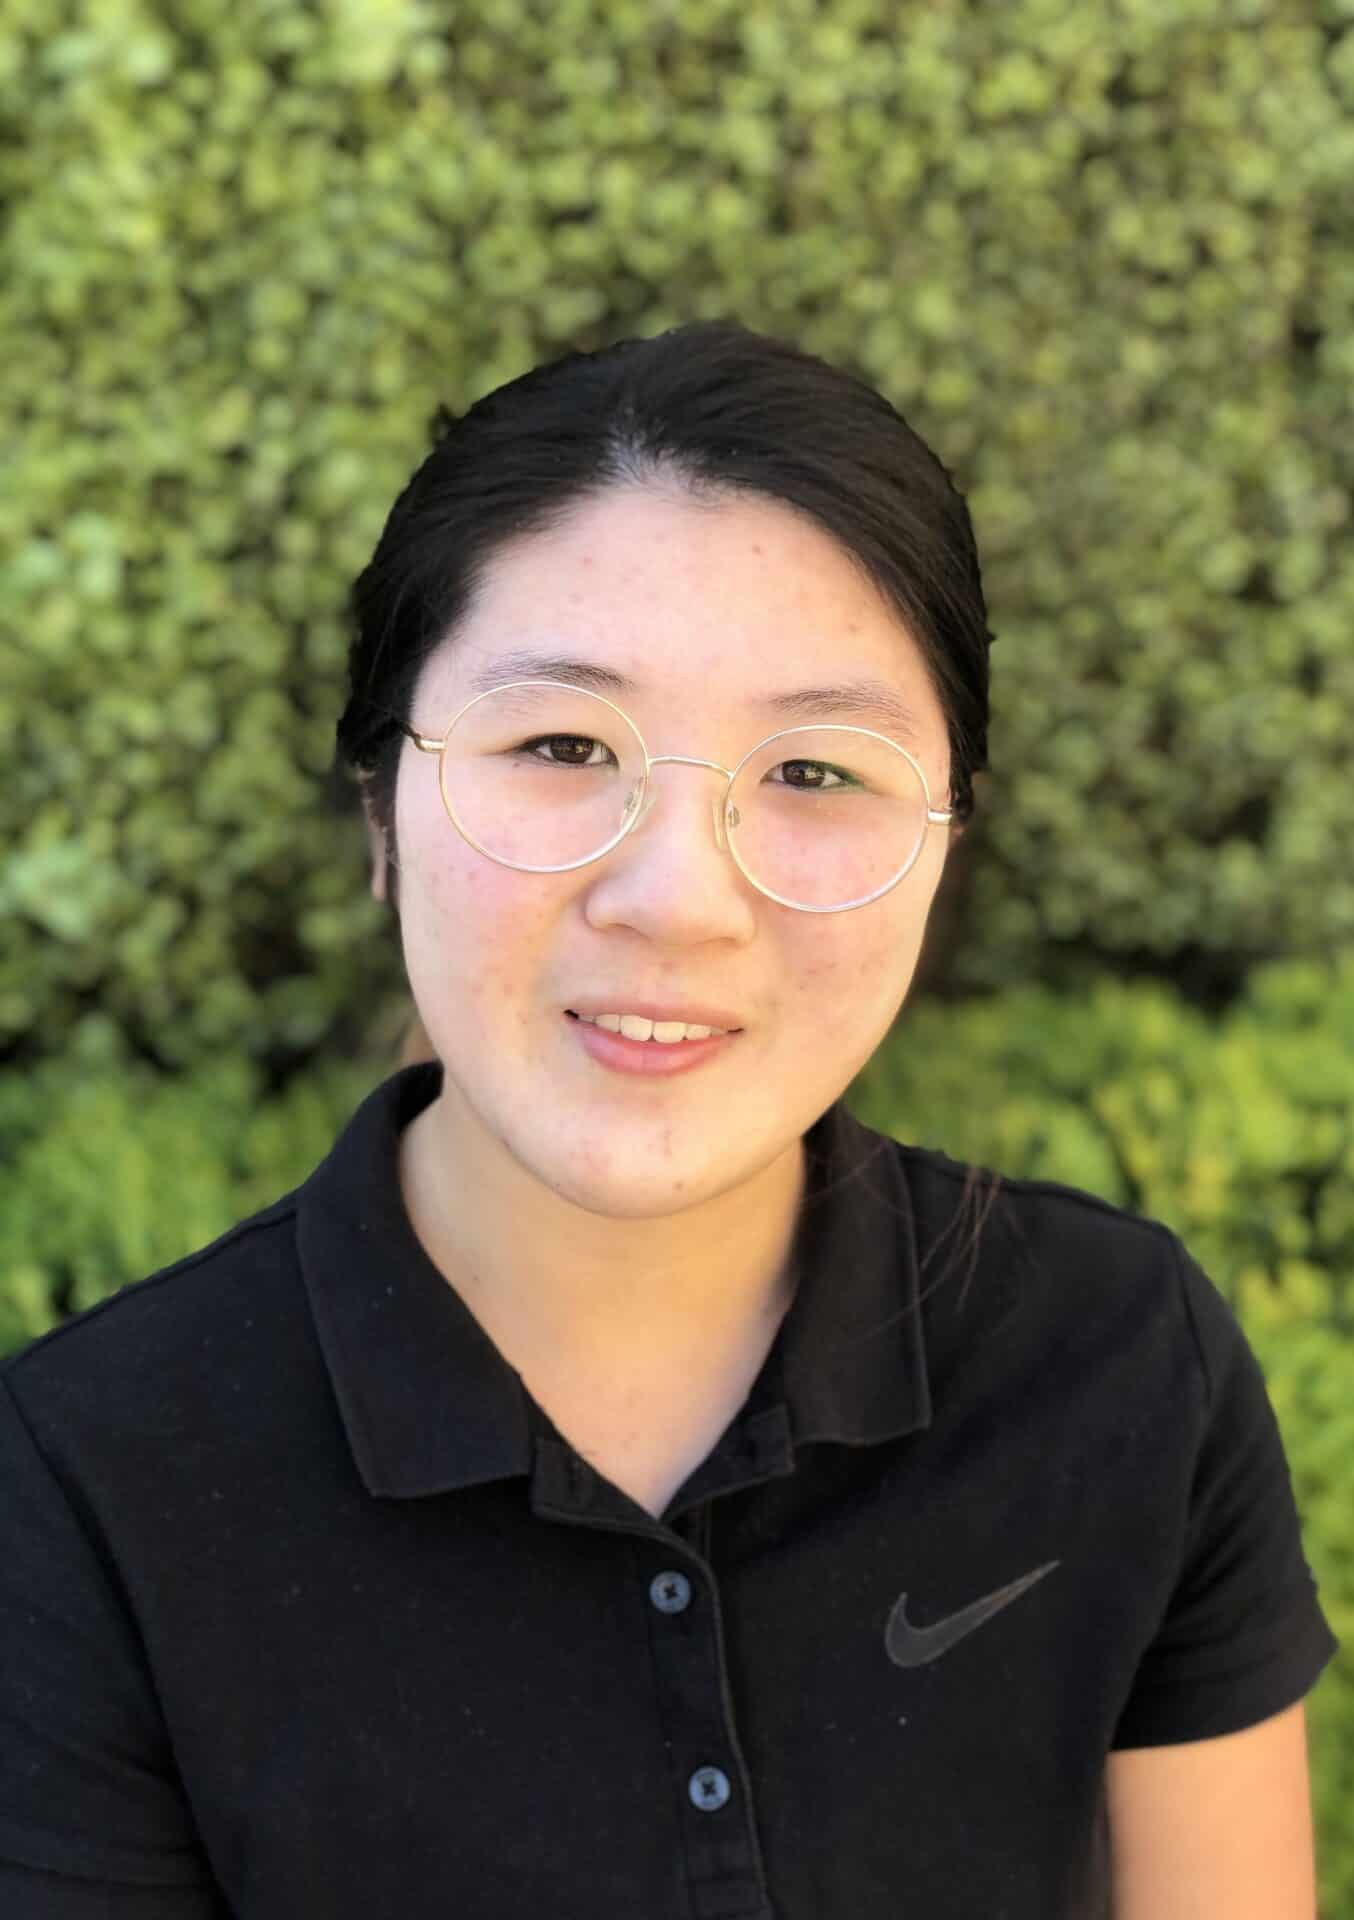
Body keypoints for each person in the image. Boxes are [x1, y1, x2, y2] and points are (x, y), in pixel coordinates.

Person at [0, 321, 1337, 1919]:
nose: (678, 898)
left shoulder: (1116, 1358)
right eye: (562, 745)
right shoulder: (84, 1488)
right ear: (380, 811)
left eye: (815, 772)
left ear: (942, 847)